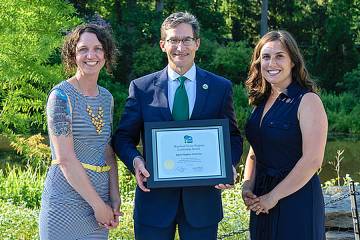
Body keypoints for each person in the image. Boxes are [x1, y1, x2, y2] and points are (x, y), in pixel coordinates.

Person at [112, 12, 243, 240]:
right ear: (163, 45)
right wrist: (136, 161)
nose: (180, 47)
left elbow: (232, 136)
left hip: (203, 205)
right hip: (154, 203)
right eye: (173, 40)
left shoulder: (219, 87)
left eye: (186, 40)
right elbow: (123, 137)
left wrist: (229, 163)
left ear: (197, 44)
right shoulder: (141, 88)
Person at [242, 30, 327, 240]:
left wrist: (274, 196)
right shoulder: (260, 102)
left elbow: (312, 161)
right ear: (258, 62)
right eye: (266, 57)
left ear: (293, 62)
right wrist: (247, 185)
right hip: (261, 198)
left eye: (280, 56)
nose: (272, 63)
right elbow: (256, 149)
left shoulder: (308, 101)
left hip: (296, 198)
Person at [39, 24, 121, 240]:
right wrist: (98, 206)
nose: (91, 55)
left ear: (106, 53)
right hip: (65, 201)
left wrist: (114, 196)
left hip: (100, 200)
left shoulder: (107, 97)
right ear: (72, 54)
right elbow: (65, 159)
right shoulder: (61, 96)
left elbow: (107, 150)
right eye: (83, 49)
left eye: (98, 48)